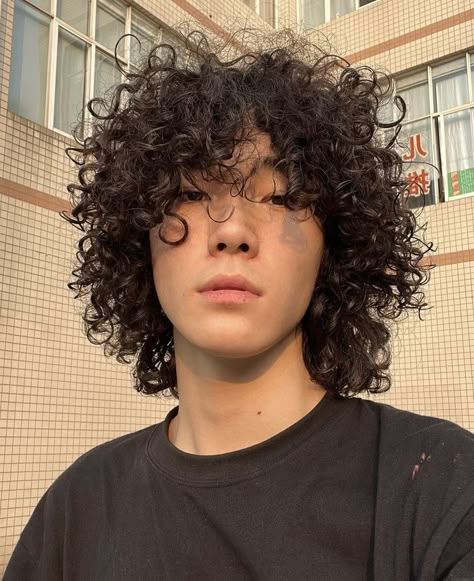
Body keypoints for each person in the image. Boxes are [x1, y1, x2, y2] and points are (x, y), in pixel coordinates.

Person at [4, 26, 473, 581]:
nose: (232, 232)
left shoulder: (444, 491)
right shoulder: (74, 510)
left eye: (280, 197)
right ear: (140, 236)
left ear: (336, 246)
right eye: (193, 194)